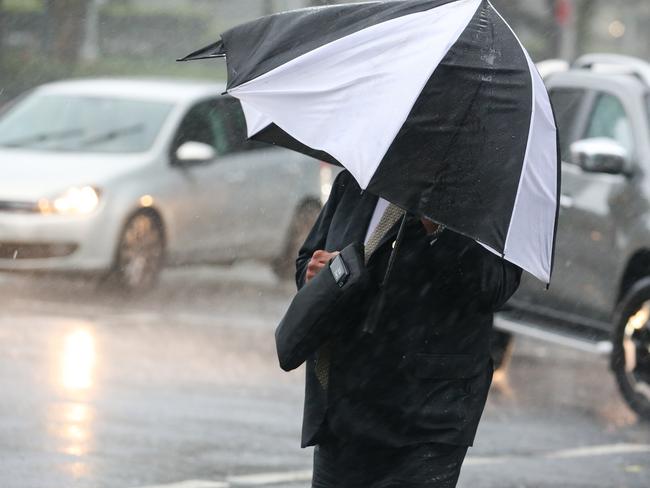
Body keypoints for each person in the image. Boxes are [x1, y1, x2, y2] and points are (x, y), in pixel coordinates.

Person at [293, 169, 522, 488]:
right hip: (344, 406)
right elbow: (308, 258)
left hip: (425, 417)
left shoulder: (486, 194)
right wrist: (317, 273)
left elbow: (493, 286)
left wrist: (439, 225)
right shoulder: (356, 180)